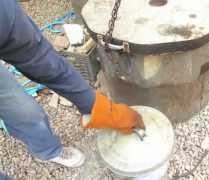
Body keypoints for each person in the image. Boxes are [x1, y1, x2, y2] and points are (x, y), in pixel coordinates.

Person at [0, 1, 144, 179]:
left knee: (23, 110)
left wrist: (98, 107)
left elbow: (39, 59)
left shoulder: (4, 13)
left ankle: (47, 150)